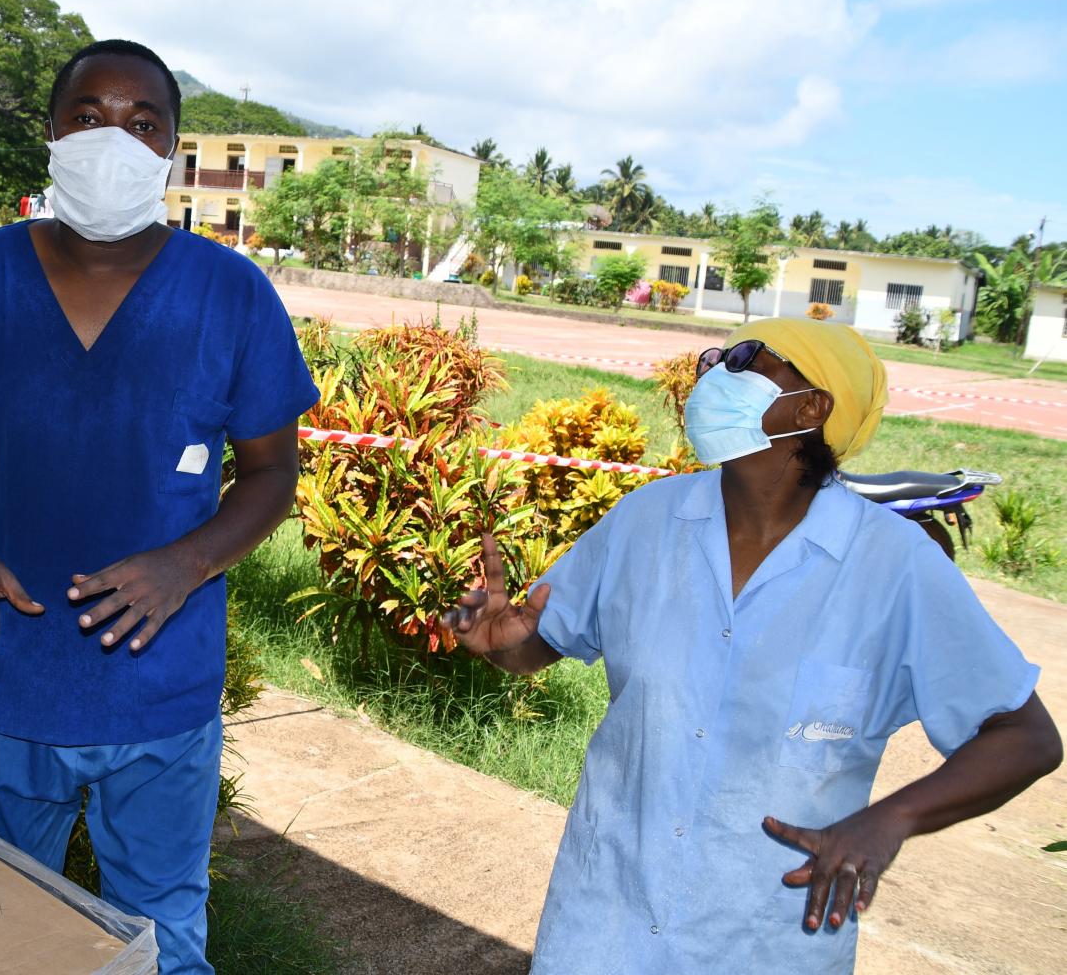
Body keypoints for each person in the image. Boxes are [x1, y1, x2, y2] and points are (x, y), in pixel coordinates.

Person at [0, 39, 317, 973]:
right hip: (8, 675)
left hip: (161, 689)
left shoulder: (229, 294)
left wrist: (186, 562)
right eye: (87, 117)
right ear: (50, 133)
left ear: (171, 153)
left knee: (160, 934)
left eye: (142, 123)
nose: (111, 139)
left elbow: (272, 471)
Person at [446, 318, 1060, 974]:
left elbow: (1026, 738)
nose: (713, 370)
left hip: (762, 943)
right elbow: (537, 646)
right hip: (607, 922)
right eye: (714, 354)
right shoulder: (647, 521)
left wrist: (892, 820)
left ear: (811, 406)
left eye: (745, 359)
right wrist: (498, 642)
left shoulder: (893, 567)